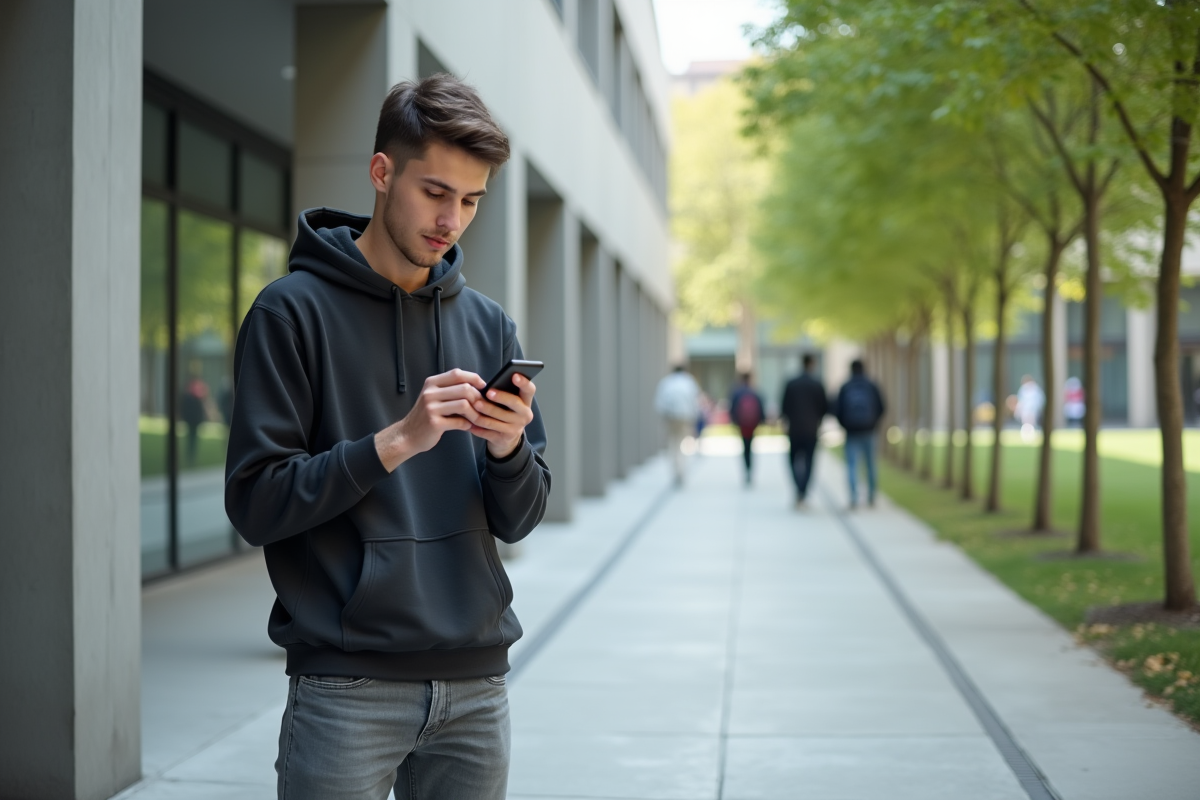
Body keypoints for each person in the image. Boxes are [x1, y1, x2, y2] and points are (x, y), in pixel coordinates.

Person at [224, 75, 551, 800]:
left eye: (470, 200)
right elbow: (254, 502)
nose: (452, 220)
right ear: (381, 172)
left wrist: (507, 450)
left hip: (475, 688)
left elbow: (522, 515)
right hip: (347, 687)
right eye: (435, 192)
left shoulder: (488, 322)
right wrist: (395, 442)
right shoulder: (290, 313)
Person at [780, 353, 829, 508]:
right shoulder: (817, 384)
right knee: (809, 461)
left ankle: (798, 489)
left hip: (794, 429)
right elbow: (824, 408)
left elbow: (784, 407)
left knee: (793, 461)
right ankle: (803, 490)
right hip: (811, 430)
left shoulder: (791, 383)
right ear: (812, 364)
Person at [835, 359, 885, 509]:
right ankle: (871, 497)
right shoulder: (871, 385)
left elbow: (838, 410)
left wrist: (845, 426)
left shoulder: (846, 386)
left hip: (851, 432)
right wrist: (874, 423)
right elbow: (882, 407)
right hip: (869, 430)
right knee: (870, 465)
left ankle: (854, 498)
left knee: (851, 465)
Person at [655, 365, 701, 485]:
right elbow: (695, 401)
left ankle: (676, 471)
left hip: (670, 417)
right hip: (685, 417)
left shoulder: (666, 382)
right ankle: (681, 471)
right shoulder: (689, 382)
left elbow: (659, 402)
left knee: (672, 445)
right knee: (682, 444)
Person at [729, 373, 765, 485]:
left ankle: (747, 469)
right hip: (752, 425)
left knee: (745, 447)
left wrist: (734, 422)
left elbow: (732, 409)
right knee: (750, 447)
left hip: (742, 424)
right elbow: (760, 408)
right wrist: (761, 421)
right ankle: (750, 469)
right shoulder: (754, 392)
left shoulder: (737, 393)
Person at [1014, 374, 1045, 442]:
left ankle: (1030, 434)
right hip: (1027, 409)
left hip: (1032, 409)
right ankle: (1027, 434)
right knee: (1027, 422)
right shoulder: (1024, 389)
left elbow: (1039, 399)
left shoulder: (1035, 389)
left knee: (1031, 421)